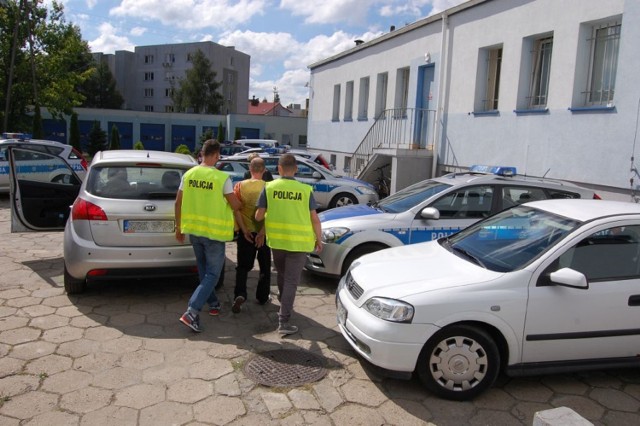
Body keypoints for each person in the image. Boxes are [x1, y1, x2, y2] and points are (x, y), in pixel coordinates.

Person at [175, 139, 242, 332]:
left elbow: (177, 203)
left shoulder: (188, 175)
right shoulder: (222, 178)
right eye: (218, 156)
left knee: (204, 272)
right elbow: (235, 205)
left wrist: (178, 227)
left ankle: (213, 304)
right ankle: (192, 311)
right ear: (215, 155)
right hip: (214, 234)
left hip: (194, 231)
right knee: (213, 274)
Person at [255, 153, 323, 335]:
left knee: (283, 274)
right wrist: (319, 238)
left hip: (277, 241)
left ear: (279, 169)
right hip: (299, 243)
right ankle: (283, 321)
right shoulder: (305, 190)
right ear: (296, 170)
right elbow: (315, 219)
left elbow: (259, 216)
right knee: (292, 281)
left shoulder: (269, 187)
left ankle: (283, 300)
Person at [231, 157, 272, 313]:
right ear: (264, 170)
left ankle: (240, 294)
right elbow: (271, 213)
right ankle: (262, 297)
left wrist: (244, 230)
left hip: (246, 233)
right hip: (264, 234)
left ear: (250, 169)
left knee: (242, 267)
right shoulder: (269, 187)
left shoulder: (240, 186)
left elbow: (236, 210)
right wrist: (262, 232)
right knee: (265, 267)